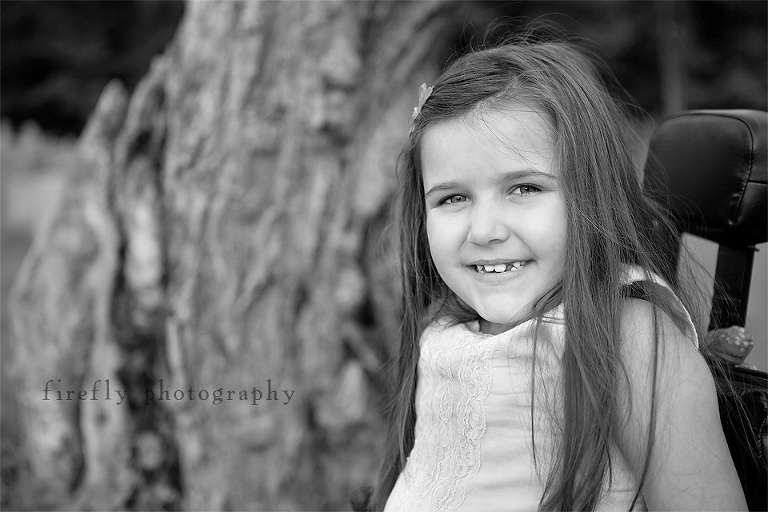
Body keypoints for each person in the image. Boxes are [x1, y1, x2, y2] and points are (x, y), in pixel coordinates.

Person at [370, 38, 748, 511]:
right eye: (453, 198)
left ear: (591, 192)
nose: (484, 231)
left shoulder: (624, 337)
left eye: (524, 188)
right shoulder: (444, 328)